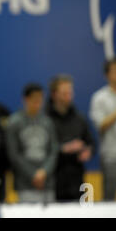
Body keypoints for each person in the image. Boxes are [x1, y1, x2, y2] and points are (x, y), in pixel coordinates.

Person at [6, 83, 59, 204]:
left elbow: (53, 150)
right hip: (25, 184)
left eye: (40, 99)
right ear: (25, 99)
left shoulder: (47, 122)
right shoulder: (14, 122)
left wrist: (44, 171)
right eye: (34, 99)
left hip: (47, 183)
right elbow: (14, 154)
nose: (38, 103)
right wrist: (33, 174)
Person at [46, 74, 95, 202]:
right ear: (54, 94)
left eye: (70, 92)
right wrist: (64, 148)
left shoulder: (79, 118)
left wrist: (88, 151)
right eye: (64, 93)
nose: (69, 96)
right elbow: (42, 147)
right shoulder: (45, 119)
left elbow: (90, 142)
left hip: (76, 178)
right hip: (53, 178)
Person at [89, 56, 116, 201]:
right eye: (115, 71)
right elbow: (101, 125)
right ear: (107, 75)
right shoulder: (99, 97)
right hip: (111, 157)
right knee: (109, 200)